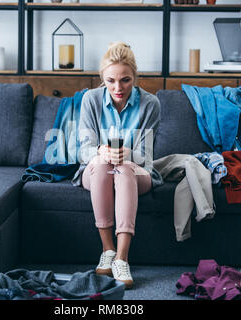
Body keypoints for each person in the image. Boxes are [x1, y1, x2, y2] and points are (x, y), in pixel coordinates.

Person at [72, 42, 163, 289]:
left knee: (123, 168)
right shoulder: (90, 100)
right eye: (110, 80)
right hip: (97, 171)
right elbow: (83, 151)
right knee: (103, 164)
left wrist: (130, 153)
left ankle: (122, 258)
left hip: (135, 172)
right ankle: (108, 250)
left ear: (134, 77)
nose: (117, 88)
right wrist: (101, 151)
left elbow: (147, 157)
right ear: (102, 78)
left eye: (125, 80)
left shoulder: (150, 104)